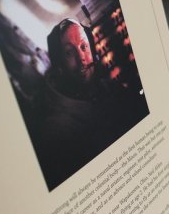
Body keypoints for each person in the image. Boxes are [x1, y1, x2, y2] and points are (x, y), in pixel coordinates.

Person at [34, 19, 149, 190]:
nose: (82, 59)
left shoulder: (107, 88)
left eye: (84, 47)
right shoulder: (56, 130)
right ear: (59, 65)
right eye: (68, 53)